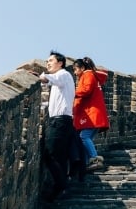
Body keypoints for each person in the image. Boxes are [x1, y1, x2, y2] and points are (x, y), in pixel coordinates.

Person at [36, 50, 76, 201]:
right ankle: (60, 187)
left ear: (60, 63)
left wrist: (41, 77)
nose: (48, 63)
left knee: (50, 154)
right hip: (61, 121)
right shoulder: (63, 78)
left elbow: (50, 79)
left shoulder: (64, 75)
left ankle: (61, 186)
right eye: (47, 61)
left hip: (60, 121)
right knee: (58, 156)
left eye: (50, 61)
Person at [73, 57, 110, 171]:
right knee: (85, 138)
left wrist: (72, 92)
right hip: (94, 114)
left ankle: (94, 159)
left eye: (75, 69)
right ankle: (85, 164)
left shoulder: (87, 75)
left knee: (84, 137)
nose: (74, 73)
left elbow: (87, 90)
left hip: (92, 114)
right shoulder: (91, 75)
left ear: (83, 68)